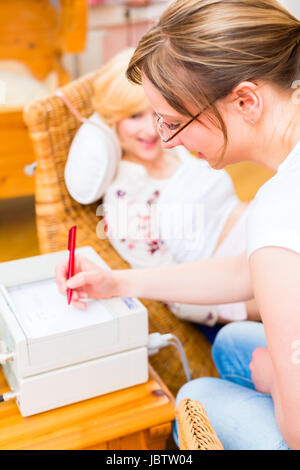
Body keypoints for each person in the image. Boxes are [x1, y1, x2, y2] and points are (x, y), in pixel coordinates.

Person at [56, 0, 300, 449]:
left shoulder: (277, 214)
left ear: (246, 101)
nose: (169, 140)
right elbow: (246, 270)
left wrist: (274, 378)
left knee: (195, 395)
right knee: (232, 343)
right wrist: (116, 283)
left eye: (173, 122)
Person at [64, 48, 258, 326]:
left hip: (262, 235)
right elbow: (176, 297)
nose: (152, 129)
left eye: (157, 113)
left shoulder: (175, 149)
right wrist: (254, 308)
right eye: (133, 117)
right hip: (242, 286)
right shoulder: (125, 199)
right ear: (111, 121)